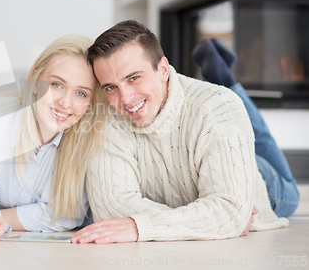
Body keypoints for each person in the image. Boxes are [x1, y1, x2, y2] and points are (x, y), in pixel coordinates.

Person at [71, 20, 296, 244]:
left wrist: (140, 225)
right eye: (110, 87)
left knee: (290, 190)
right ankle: (227, 83)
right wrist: (208, 220)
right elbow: (113, 210)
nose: (125, 99)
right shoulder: (106, 120)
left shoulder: (219, 106)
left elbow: (229, 209)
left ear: (163, 69)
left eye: (134, 78)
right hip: (203, 155)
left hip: (260, 178)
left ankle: (231, 86)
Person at [0, 34, 106, 240]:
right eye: (57, 85)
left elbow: (65, 214)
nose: (66, 103)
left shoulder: (90, 136)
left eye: (81, 93)